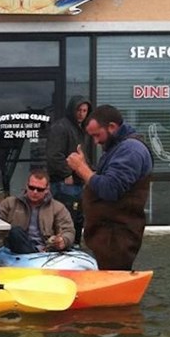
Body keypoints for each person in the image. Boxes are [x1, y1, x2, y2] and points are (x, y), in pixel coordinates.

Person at [66, 104, 153, 270]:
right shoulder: (118, 148)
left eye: (97, 135)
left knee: (114, 287)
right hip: (107, 235)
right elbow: (103, 181)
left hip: (116, 238)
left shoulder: (131, 150)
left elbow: (110, 188)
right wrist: (85, 167)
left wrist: (81, 168)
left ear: (112, 127)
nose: (96, 141)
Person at [46, 95, 93, 245]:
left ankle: (74, 247)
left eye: (85, 110)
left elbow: (82, 155)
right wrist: (66, 173)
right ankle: (65, 248)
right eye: (78, 110)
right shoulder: (61, 127)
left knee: (78, 218)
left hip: (77, 183)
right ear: (72, 110)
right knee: (65, 219)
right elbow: (53, 156)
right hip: (64, 184)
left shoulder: (80, 130)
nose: (81, 114)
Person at [0, 169, 75, 254]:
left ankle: (34, 253)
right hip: (17, 248)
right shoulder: (10, 203)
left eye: (39, 189)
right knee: (16, 232)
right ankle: (32, 253)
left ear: (47, 190)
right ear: (26, 186)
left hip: (47, 250)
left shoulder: (58, 208)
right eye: (31, 188)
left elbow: (68, 230)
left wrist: (63, 240)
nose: (35, 192)